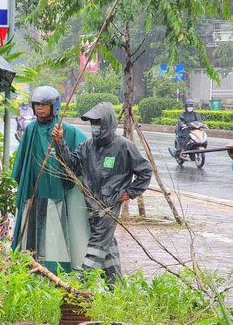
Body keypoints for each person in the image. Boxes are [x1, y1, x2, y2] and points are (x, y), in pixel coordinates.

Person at [51, 101, 152, 284]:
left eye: (98, 123)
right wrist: (60, 143)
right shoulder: (87, 146)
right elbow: (70, 165)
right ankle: (116, 287)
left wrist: (129, 193)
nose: (94, 127)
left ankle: (80, 287)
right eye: (92, 123)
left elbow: (145, 171)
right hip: (91, 205)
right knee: (108, 245)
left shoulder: (124, 146)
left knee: (97, 245)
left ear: (107, 123)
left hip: (109, 207)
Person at [11, 86, 90, 274]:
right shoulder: (30, 129)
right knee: (31, 231)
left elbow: (84, 156)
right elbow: (22, 162)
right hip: (34, 190)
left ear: (54, 106)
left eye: (44, 105)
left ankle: (56, 270)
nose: (39, 108)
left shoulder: (66, 130)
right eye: (37, 104)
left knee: (55, 231)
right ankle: (30, 265)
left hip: (56, 191)